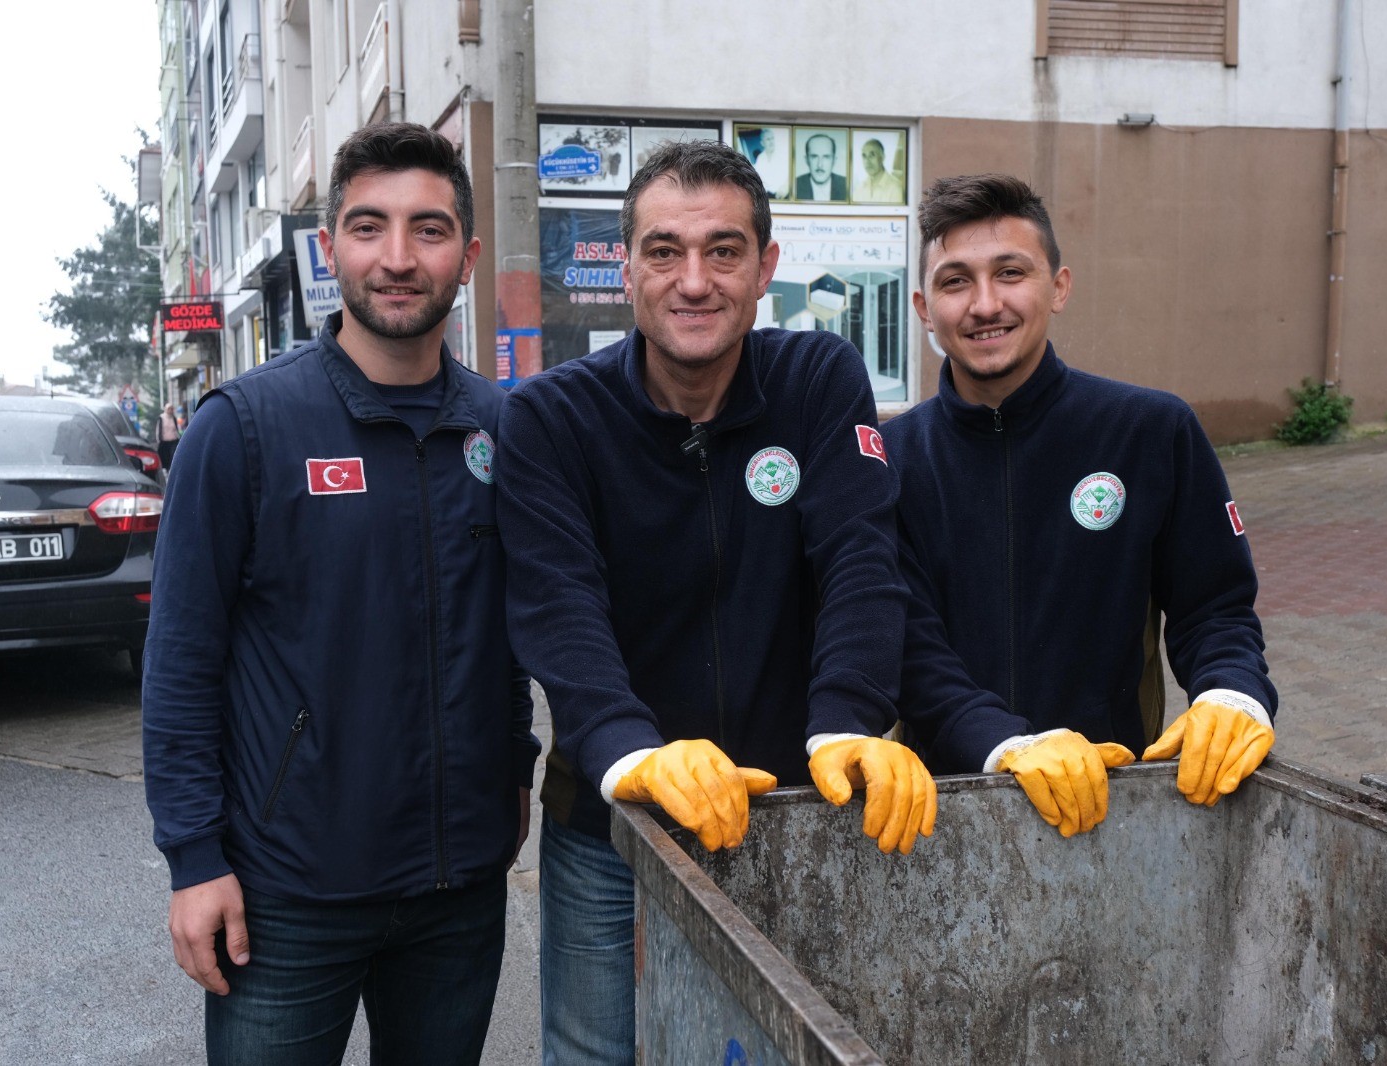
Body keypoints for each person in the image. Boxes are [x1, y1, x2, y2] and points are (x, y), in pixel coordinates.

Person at [497, 139, 937, 1065]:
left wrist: (849, 722)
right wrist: (632, 754)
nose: (693, 280)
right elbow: (558, 606)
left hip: (791, 812)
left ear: (766, 266)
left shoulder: (819, 380)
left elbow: (859, 555)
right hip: (613, 830)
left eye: (723, 251)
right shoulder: (550, 418)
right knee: (597, 1056)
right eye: (664, 251)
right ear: (626, 269)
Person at [141, 123, 538, 1066]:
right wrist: (194, 858)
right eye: (369, 227)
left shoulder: (508, 429)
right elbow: (182, 662)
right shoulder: (242, 430)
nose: (398, 258)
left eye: (429, 230)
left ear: (468, 256)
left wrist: (514, 764)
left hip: (458, 890)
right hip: (286, 895)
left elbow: (515, 629)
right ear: (331, 249)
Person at [886, 173, 1277, 836]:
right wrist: (1004, 744)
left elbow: (1214, 609)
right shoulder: (887, 461)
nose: (985, 304)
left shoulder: (1151, 431)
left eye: (1011, 272)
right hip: (938, 816)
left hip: (1114, 806)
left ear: (1058, 286)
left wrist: (1233, 694)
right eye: (956, 282)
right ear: (925, 308)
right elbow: (905, 649)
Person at [794, 132, 848, 201]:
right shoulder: (794, 186)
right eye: (814, 157)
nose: (820, 165)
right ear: (806, 160)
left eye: (826, 157)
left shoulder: (848, 186)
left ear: (834, 160)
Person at [852, 137, 904, 204]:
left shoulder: (896, 188)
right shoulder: (859, 188)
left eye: (872, 155)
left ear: (882, 157)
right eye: (864, 156)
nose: (867, 161)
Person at [749, 126, 790, 199]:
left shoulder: (783, 155)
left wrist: (786, 187)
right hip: (767, 196)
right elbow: (758, 178)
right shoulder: (760, 158)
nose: (771, 141)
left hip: (784, 194)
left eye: (772, 138)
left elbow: (790, 175)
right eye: (768, 139)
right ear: (762, 143)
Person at [155, 401, 180, 470]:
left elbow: (176, 429)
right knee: (164, 457)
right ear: (166, 409)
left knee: (173, 455)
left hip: (173, 440)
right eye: (169, 409)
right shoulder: (161, 418)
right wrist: (158, 440)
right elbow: (158, 430)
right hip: (164, 441)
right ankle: (166, 469)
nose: (170, 410)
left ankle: (172, 469)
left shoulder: (174, 418)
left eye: (172, 409)